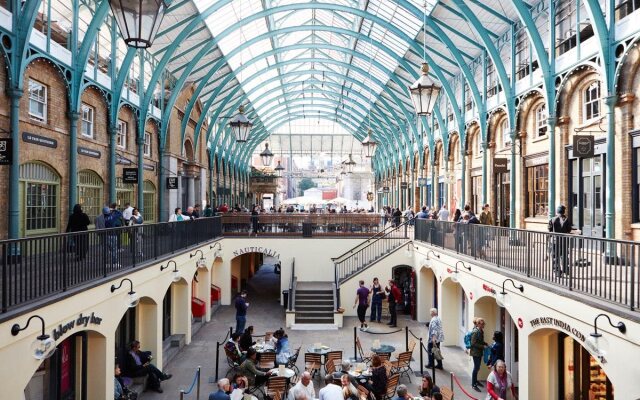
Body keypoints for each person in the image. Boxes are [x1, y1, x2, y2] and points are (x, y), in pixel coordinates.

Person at [548, 204, 573, 276]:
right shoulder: (566, 219)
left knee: (555, 256)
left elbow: (549, 229)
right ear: (563, 211)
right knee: (564, 255)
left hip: (555, 241)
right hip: (564, 241)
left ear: (557, 211)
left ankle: (557, 272)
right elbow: (569, 230)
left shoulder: (552, 219)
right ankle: (566, 270)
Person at [470, 318, 488, 392]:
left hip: (479, 352)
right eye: (481, 324)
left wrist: (485, 343)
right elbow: (473, 343)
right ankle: (473, 384)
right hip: (475, 352)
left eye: (483, 324)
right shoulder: (475, 331)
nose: (483, 325)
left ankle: (476, 381)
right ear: (477, 324)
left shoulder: (481, 331)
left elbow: (480, 341)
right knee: (476, 368)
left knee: (478, 367)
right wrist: (483, 346)